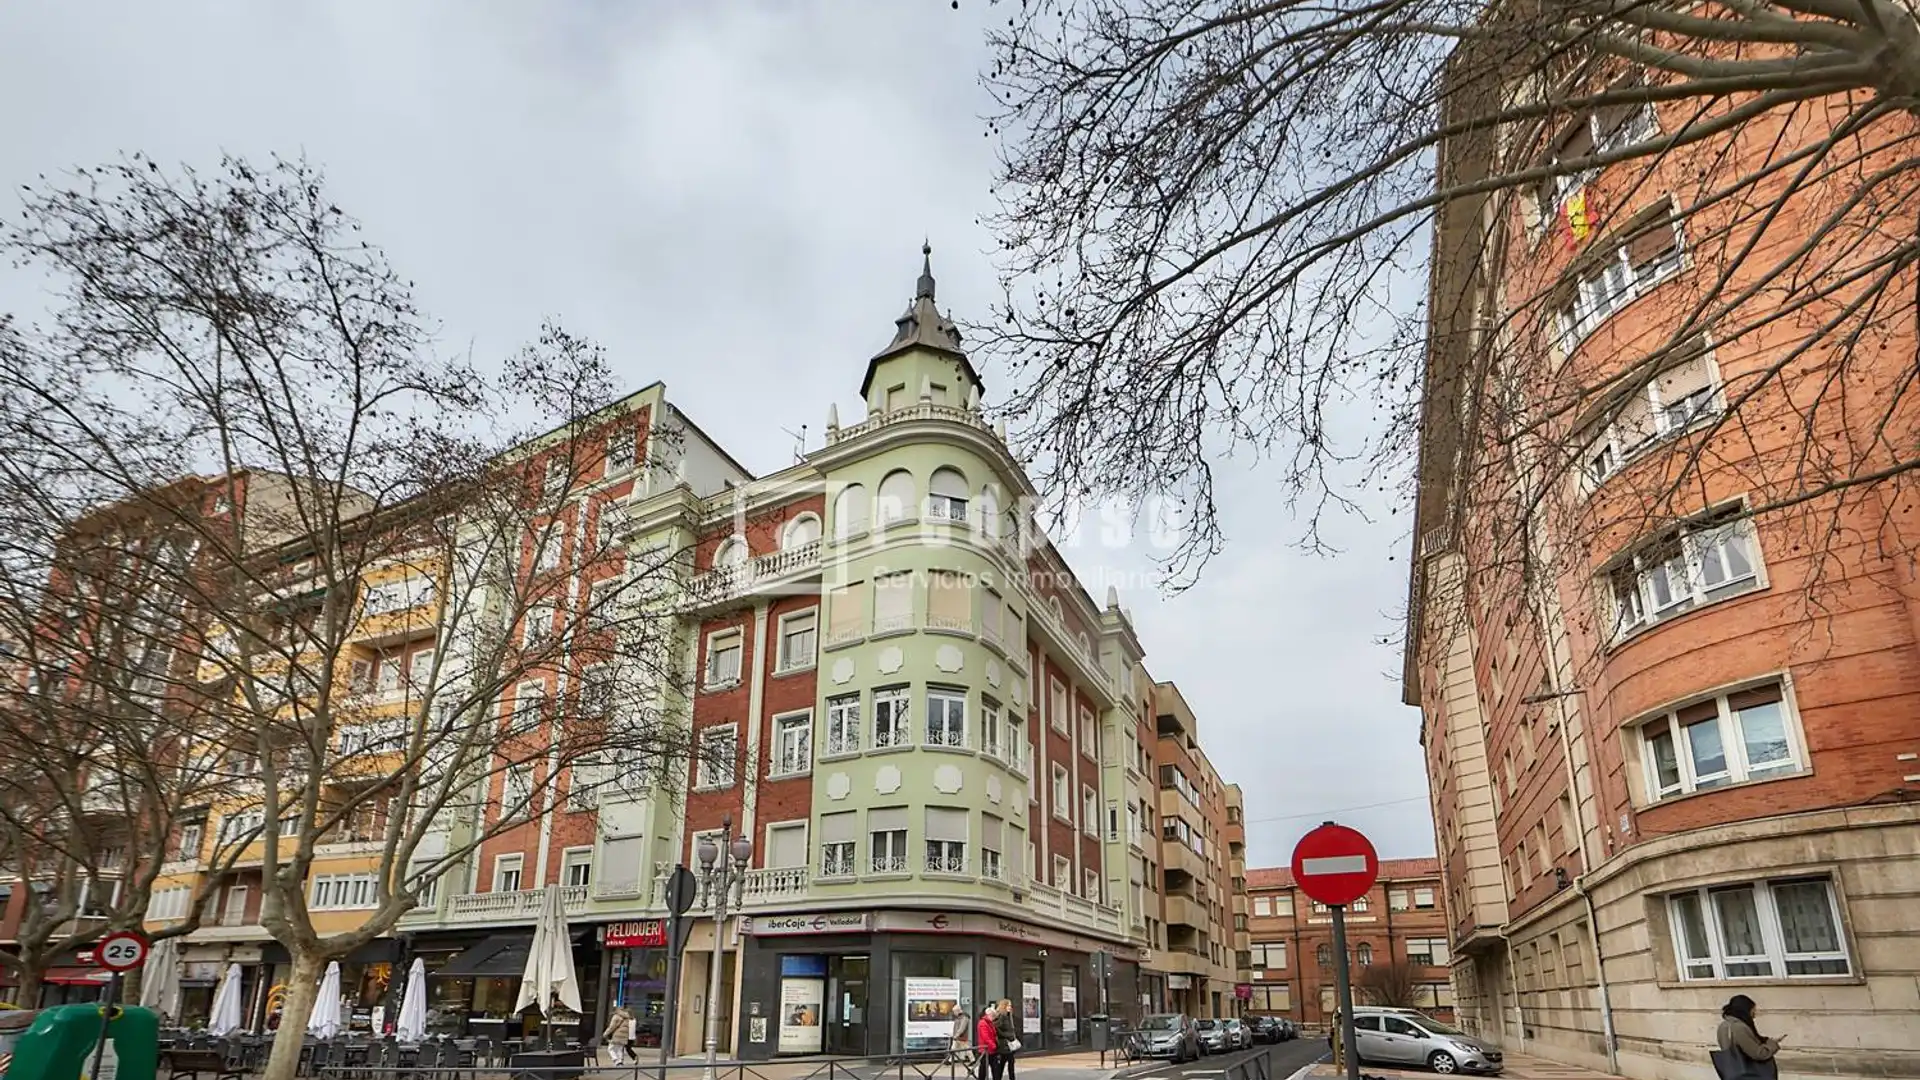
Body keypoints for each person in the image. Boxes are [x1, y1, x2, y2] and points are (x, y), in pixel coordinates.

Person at [1714, 995, 1781, 1079]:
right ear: (1745, 1010)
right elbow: (1758, 1054)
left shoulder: (1723, 1025)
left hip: (1733, 1072)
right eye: (1752, 1011)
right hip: (1748, 1074)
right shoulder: (1739, 1028)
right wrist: (1772, 1045)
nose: (1754, 1016)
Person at [993, 998, 1019, 1080]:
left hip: (1009, 1044)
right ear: (1004, 1006)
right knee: (1005, 1064)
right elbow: (996, 1028)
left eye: (1010, 1006)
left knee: (1009, 1063)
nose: (1010, 1007)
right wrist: (1007, 1035)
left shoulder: (1009, 1016)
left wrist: (1012, 1036)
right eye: (1008, 1005)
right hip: (1003, 1044)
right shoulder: (1001, 1016)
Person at [974, 1003, 1001, 1080]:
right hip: (985, 1050)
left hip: (992, 1050)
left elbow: (993, 1034)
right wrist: (993, 1045)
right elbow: (986, 1037)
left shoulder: (989, 1023)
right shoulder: (983, 1023)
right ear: (989, 1015)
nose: (994, 1018)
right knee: (983, 1069)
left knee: (995, 1069)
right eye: (993, 1016)